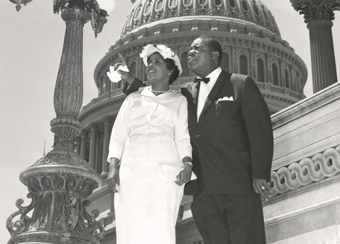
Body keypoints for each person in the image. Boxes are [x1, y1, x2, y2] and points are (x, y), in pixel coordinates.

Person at [120, 36, 274, 244]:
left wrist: (260, 174)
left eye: (197, 49)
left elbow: (260, 130)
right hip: (204, 191)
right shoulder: (187, 93)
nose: (190, 53)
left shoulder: (239, 83)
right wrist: (130, 79)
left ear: (214, 55)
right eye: (189, 49)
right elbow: (158, 94)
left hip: (238, 185)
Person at [107, 43, 193, 244]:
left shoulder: (180, 100)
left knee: (160, 227)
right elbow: (118, 135)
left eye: (157, 62)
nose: (150, 66)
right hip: (131, 170)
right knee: (130, 226)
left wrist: (187, 162)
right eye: (149, 63)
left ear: (170, 70)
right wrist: (113, 166)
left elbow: (182, 136)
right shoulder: (133, 99)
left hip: (165, 170)